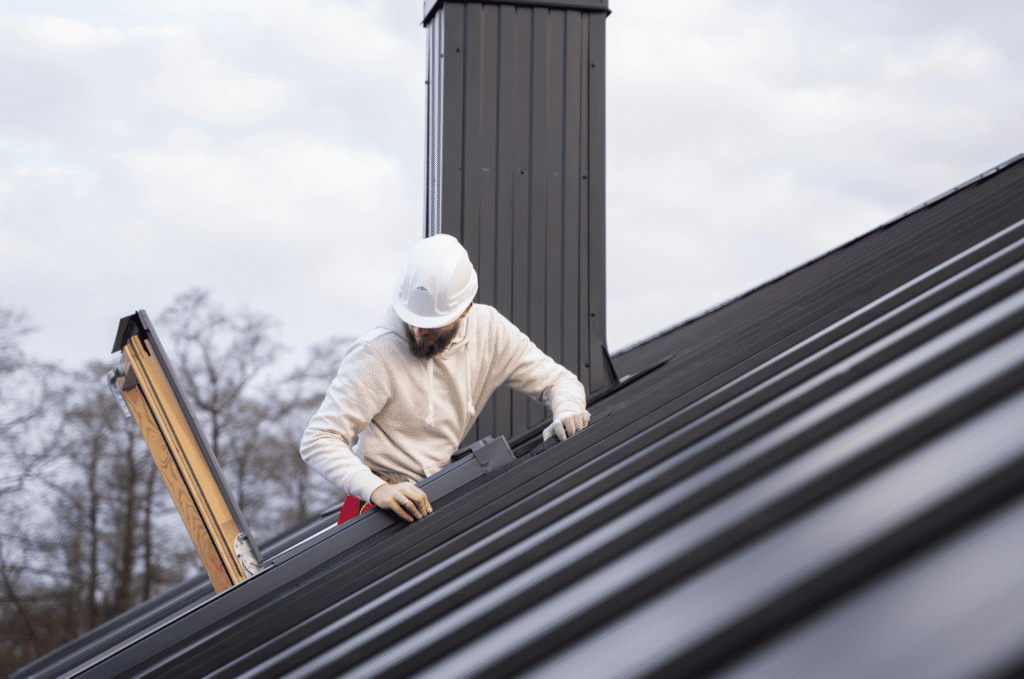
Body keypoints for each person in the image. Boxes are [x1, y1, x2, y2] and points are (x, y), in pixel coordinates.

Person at [301, 234, 591, 522]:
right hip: (375, 503)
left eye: (433, 326)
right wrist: (376, 489)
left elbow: (559, 381)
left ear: (466, 309)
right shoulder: (376, 353)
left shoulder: (489, 332)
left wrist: (568, 412)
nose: (419, 333)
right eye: (413, 322)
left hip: (435, 492)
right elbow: (320, 438)